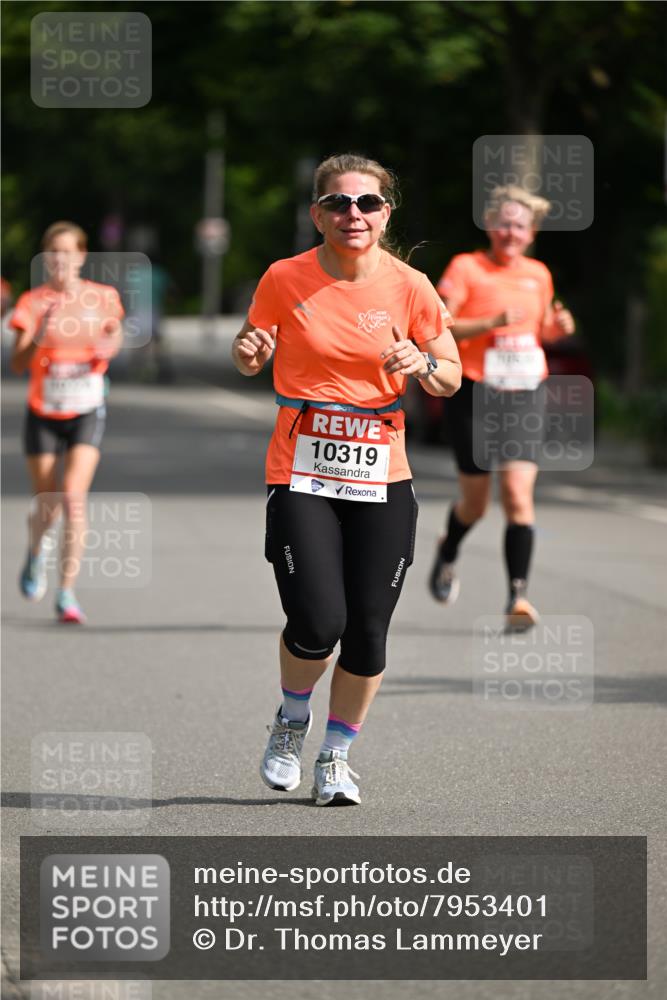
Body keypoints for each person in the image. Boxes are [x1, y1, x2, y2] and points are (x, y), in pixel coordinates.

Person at [232, 153, 461, 805]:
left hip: (381, 476)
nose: (352, 213)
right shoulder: (285, 277)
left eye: (366, 203)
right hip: (300, 471)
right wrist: (248, 352)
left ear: (386, 213)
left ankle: (335, 756)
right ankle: (291, 719)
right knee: (316, 620)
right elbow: (249, 350)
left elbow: (450, 375)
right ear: (317, 214)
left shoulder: (411, 286)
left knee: (366, 629)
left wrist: (421, 362)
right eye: (338, 202)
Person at [429, 185, 575, 629]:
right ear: (490, 225)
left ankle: (518, 597)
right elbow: (439, 327)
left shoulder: (538, 273)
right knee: (476, 505)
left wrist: (557, 328)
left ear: (531, 233)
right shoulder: (466, 267)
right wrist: (491, 322)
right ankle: (448, 549)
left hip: (525, 393)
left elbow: (541, 330)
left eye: (520, 226)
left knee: (517, 494)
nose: (511, 232)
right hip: (475, 391)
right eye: (504, 223)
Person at [10, 221, 124, 623]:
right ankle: (35, 551)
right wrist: (40, 331)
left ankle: (66, 592)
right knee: (48, 505)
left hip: (86, 409)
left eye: (67, 251)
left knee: (73, 498)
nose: (60, 259)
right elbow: (18, 363)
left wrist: (109, 344)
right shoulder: (32, 302)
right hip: (43, 412)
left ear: (81, 256)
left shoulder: (102, 297)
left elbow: (115, 334)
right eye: (53, 252)